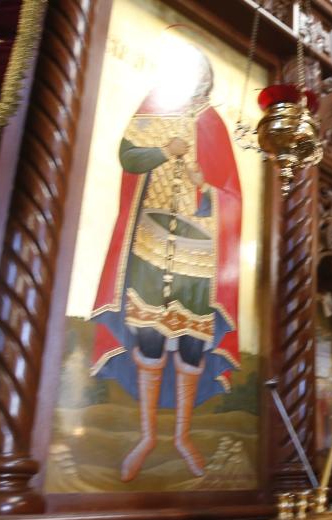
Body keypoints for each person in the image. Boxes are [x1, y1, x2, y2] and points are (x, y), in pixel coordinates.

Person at [90, 41, 243, 482]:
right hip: (151, 238)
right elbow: (128, 156)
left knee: (192, 342)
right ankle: (146, 436)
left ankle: (182, 436)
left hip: (198, 249)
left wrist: (206, 189)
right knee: (151, 336)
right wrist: (164, 150)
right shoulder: (153, 108)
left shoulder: (213, 123)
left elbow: (231, 193)